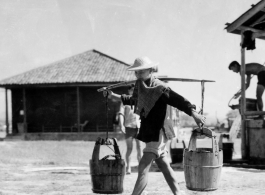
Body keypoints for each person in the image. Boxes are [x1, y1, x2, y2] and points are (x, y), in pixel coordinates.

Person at [103, 56, 206, 195]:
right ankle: (178, 192)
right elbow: (134, 100)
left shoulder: (160, 88)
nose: (138, 75)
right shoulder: (141, 87)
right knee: (163, 164)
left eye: (141, 71)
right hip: (151, 130)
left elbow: (178, 101)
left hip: (159, 131)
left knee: (143, 166)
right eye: (136, 72)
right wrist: (112, 95)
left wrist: (194, 113)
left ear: (150, 70)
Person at [118, 84, 142, 174]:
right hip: (129, 127)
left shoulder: (140, 100)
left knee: (140, 148)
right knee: (129, 148)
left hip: (139, 127)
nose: (133, 92)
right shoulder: (125, 101)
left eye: (135, 90)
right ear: (129, 91)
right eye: (132, 90)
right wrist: (121, 125)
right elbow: (121, 113)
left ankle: (141, 167)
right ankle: (128, 167)